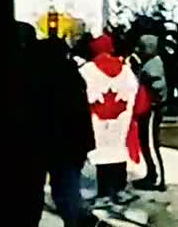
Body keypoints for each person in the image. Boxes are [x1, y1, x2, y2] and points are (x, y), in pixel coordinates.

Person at [31, 35, 96, 226]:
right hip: (70, 144)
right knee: (67, 192)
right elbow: (81, 113)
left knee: (34, 193)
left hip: (40, 142)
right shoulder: (71, 75)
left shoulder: (32, 75)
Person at [79, 34, 139, 207]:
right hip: (120, 118)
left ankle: (104, 192)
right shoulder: (126, 70)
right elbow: (133, 90)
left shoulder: (87, 70)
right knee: (118, 150)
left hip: (97, 118)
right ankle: (119, 189)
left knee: (102, 153)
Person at [132, 34, 168, 190]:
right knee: (146, 142)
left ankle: (157, 177)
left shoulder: (153, 65)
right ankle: (152, 173)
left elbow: (158, 86)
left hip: (152, 108)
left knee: (151, 144)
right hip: (151, 107)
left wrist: (155, 101)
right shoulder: (150, 63)